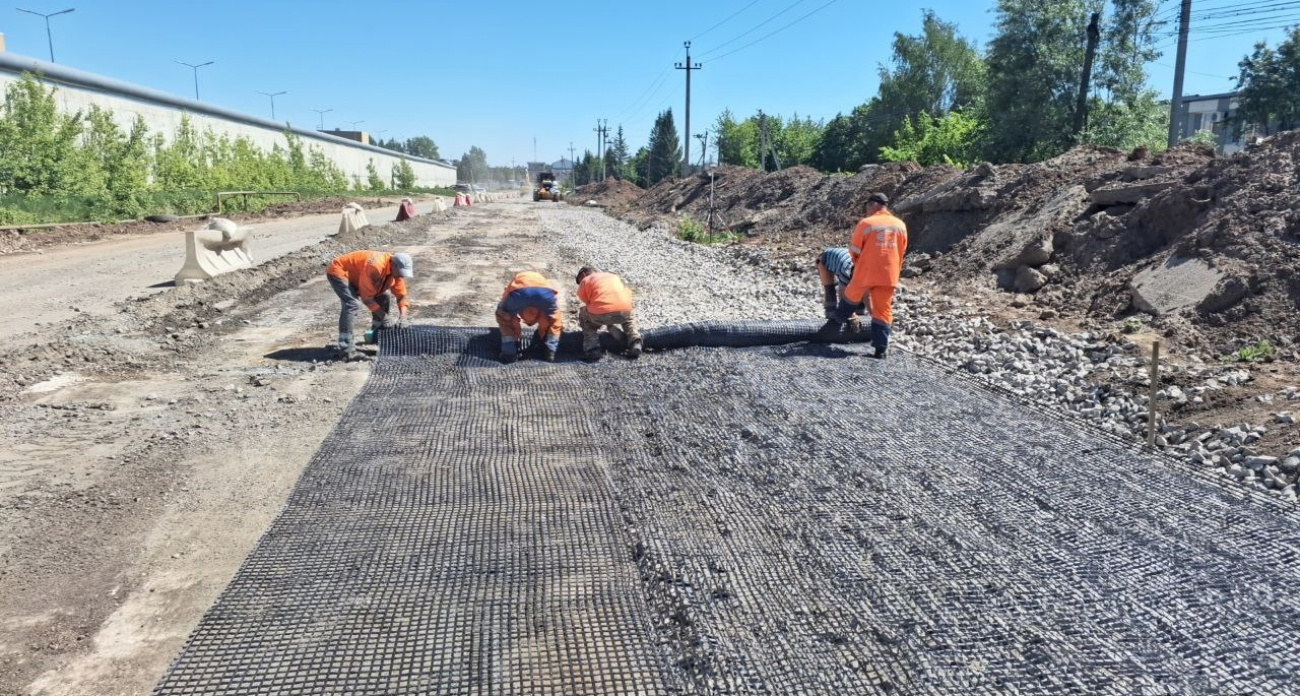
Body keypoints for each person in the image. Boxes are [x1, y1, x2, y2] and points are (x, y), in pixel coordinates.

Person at [822, 192, 907, 358]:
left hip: (866, 272)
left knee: (850, 298)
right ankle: (880, 349)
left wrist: (859, 264)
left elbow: (854, 250)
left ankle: (834, 326)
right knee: (883, 311)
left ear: (872, 205)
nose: (866, 210)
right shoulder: (900, 225)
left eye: (866, 206)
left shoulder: (867, 223)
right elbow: (902, 250)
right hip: (889, 274)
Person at [326, 250, 412, 359]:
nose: (401, 276)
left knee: (384, 296)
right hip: (340, 271)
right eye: (400, 272)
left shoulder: (395, 270)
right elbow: (367, 298)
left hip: (359, 274)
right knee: (352, 305)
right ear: (393, 264)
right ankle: (346, 349)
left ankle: (377, 336)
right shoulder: (375, 267)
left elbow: (402, 296)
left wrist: (403, 317)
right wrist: (385, 317)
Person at [575, 266, 643, 362]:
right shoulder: (613, 276)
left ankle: (592, 350)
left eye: (579, 281)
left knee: (584, 316)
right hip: (624, 310)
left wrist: (603, 319)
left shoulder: (585, 279)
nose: (580, 283)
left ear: (583, 274)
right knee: (629, 318)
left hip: (600, 314)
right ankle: (635, 342)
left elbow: (587, 302)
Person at [496, 271, 563, 364]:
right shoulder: (544, 283)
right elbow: (553, 307)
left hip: (519, 291)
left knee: (504, 316)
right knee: (553, 318)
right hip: (545, 292)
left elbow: (508, 310)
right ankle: (549, 351)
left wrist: (516, 336)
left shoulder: (514, 283)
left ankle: (509, 354)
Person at [816, 247, 865, 331]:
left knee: (860, 296)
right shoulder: (846, 270)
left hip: (840, 257)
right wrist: (852, 314)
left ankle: (860, 317)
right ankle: (830, 321)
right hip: (824, 260)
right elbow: (843, 296)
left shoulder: (866, 273)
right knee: (830, 290)